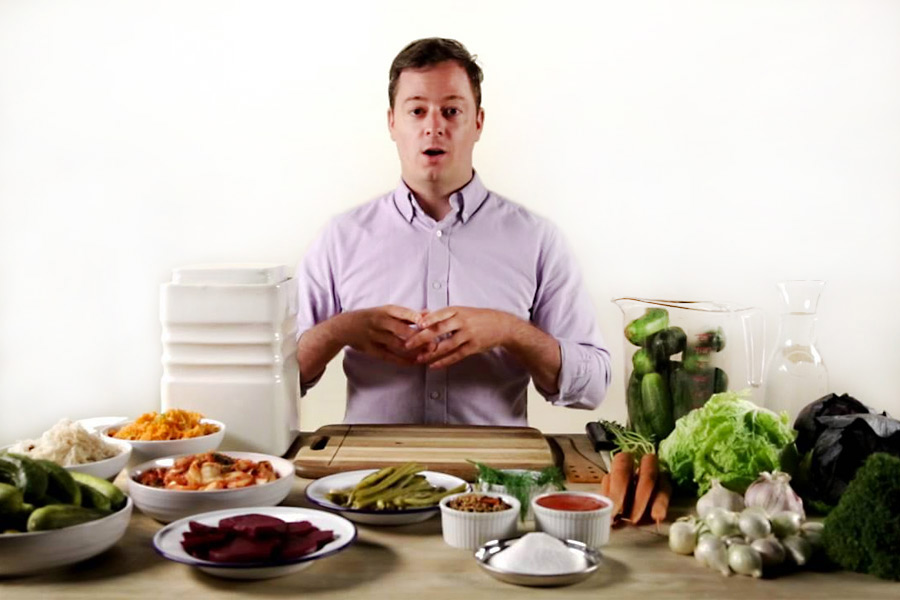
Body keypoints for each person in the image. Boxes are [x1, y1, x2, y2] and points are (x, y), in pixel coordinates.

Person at [294, 38, 611, 426]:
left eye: (451, 111)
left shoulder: (537, 240)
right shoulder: (340, 238)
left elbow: (594, 385)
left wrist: (511, 331)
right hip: (368, 479)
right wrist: (338, 331)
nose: (433, 127)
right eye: (417, 111)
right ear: (392, 122)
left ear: (477, 122)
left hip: (495, 480)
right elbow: (277, 381)